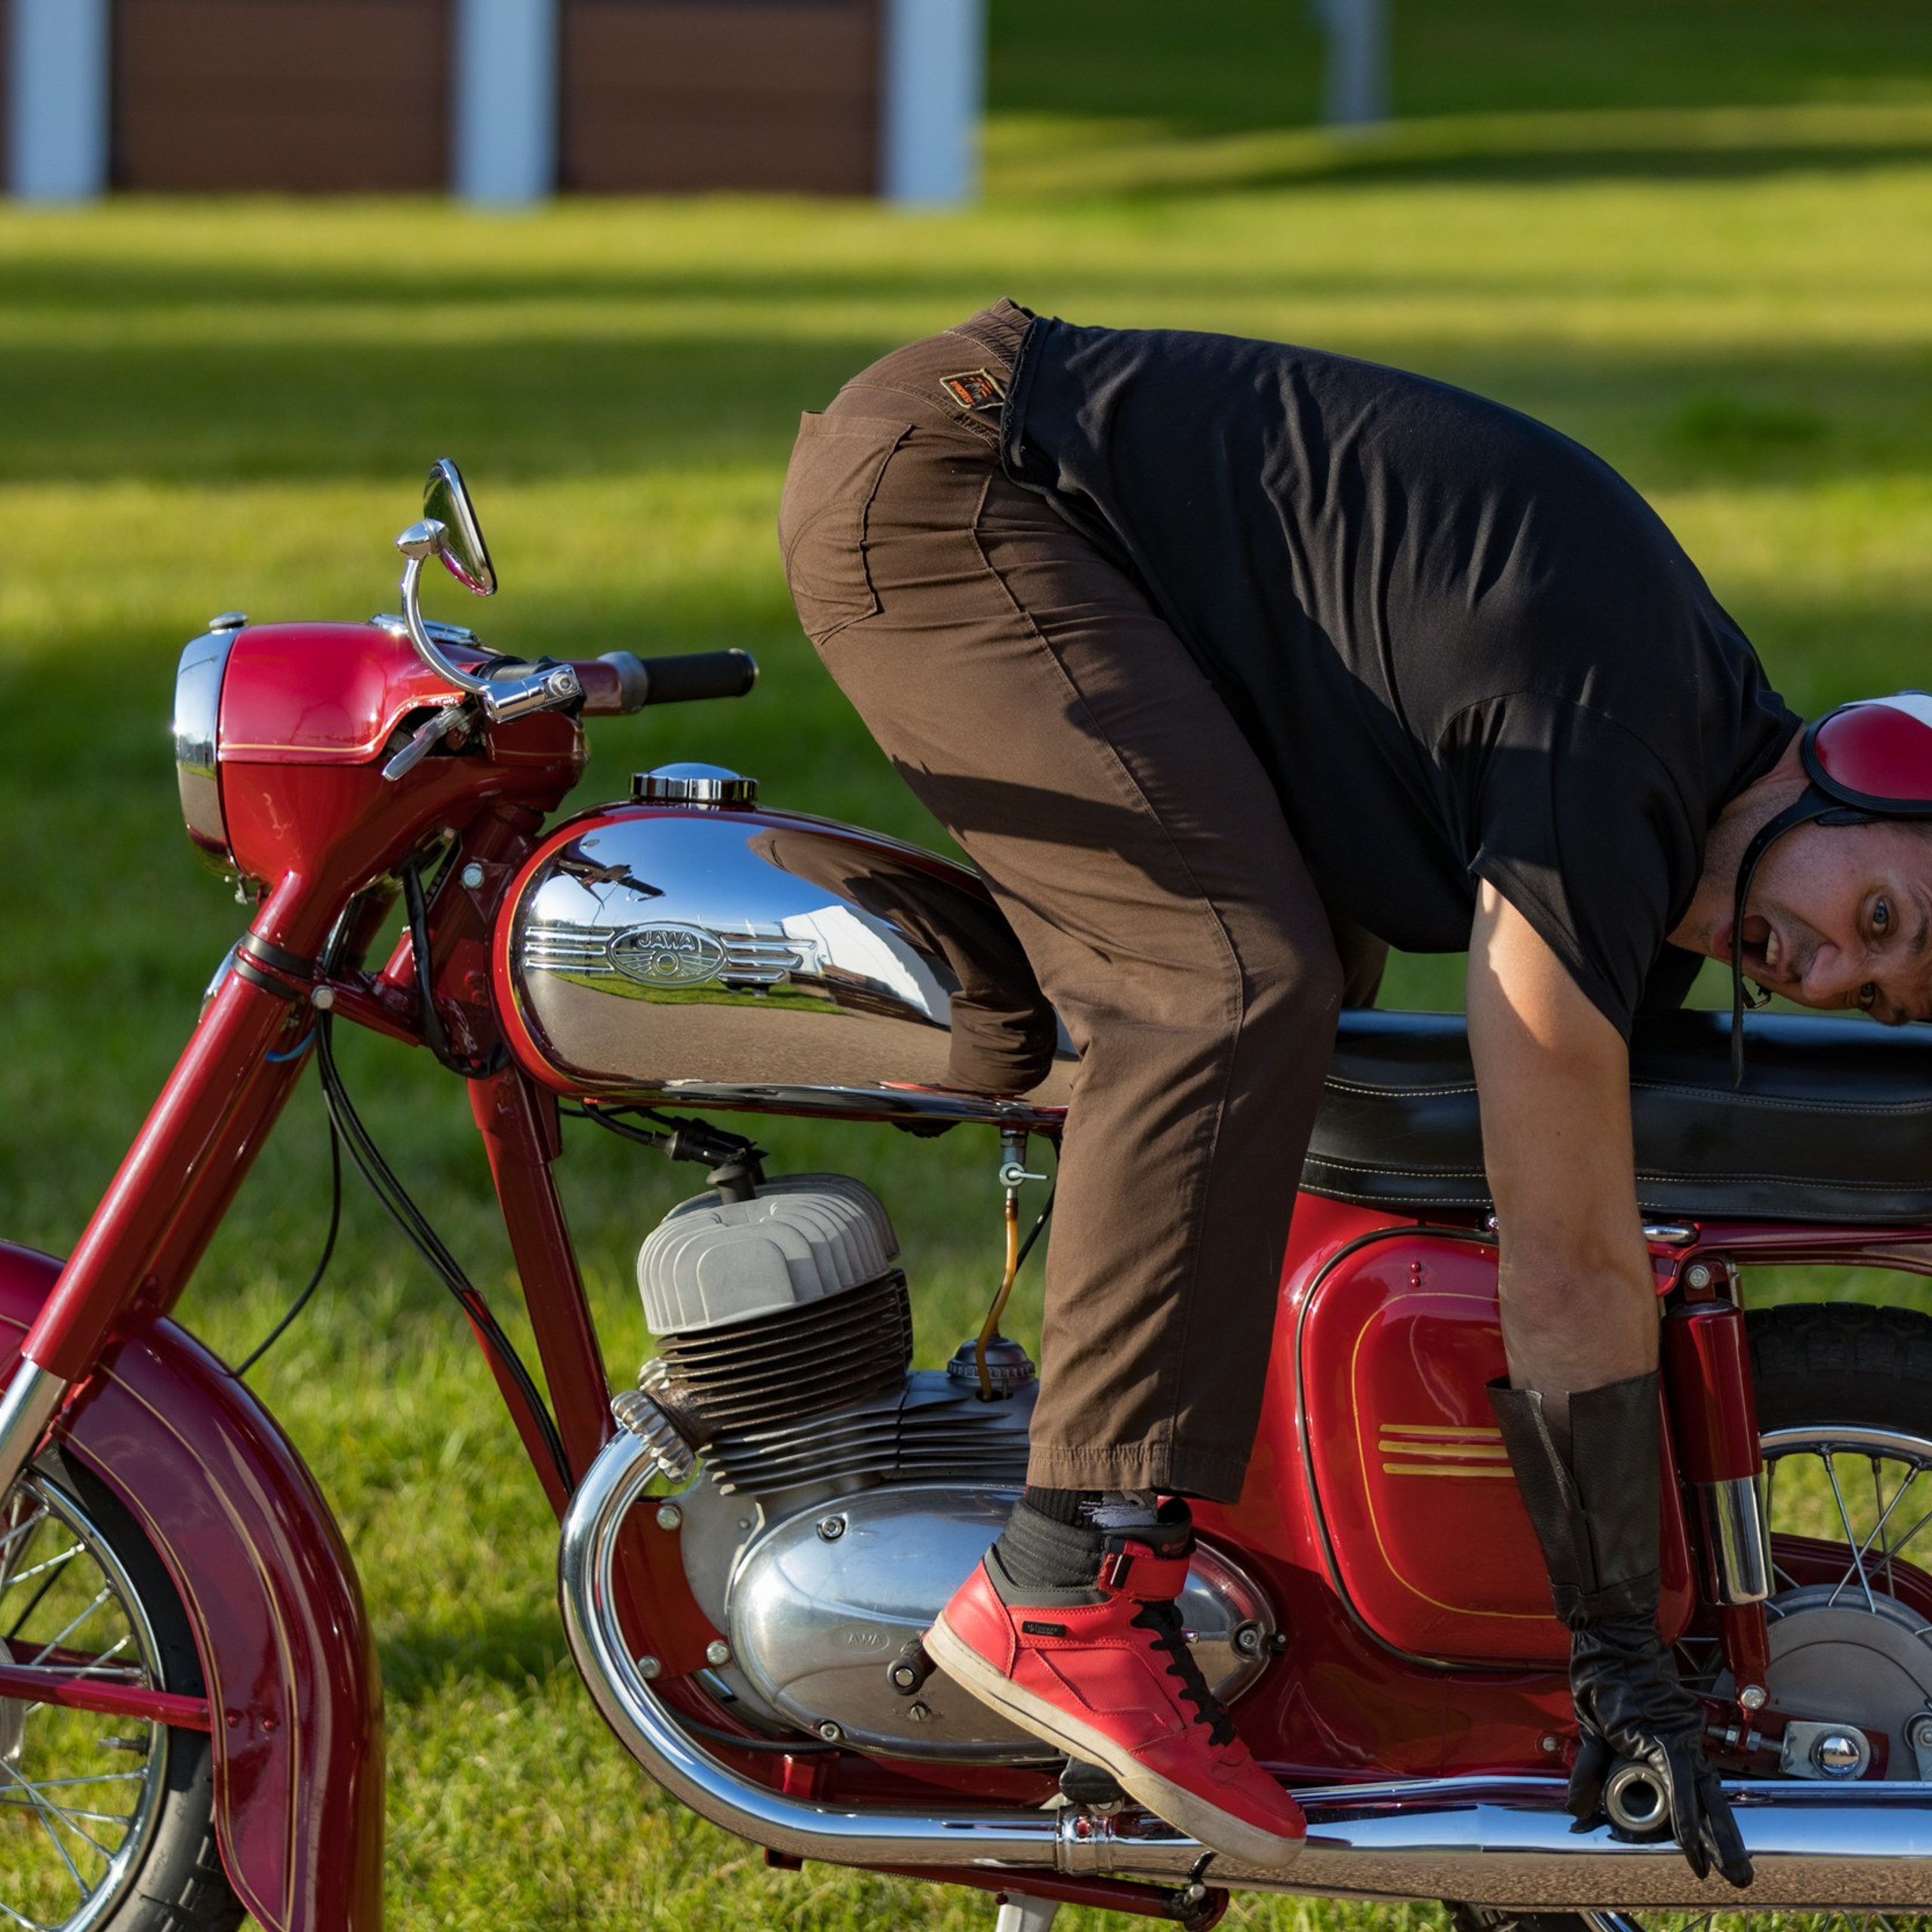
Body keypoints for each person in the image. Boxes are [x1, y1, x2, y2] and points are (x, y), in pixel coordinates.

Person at [777, 300, 1932, 1878]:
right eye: (1872, 916)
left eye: (1865, 992)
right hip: (964, 474)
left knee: (1297, 1003)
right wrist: (1615, 1656)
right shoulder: (1611, 758)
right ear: (1861, 759)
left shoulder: (1668, 795)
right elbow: (1566, 1251)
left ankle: (1201, 1538)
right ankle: (1067, 1575)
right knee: (1230, 980)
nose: (1814, 969)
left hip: (1090, 544)